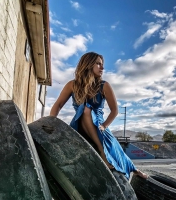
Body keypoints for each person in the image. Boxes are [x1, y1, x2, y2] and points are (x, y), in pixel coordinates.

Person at [50, 52, 148, 180]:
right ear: (88, 64)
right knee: (85, 109)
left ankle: (133, 168)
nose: (102, 68)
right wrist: (52, 122)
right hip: (79, 123)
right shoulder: (72, 85)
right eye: (98, 64)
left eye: (102, 65)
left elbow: (114, 111)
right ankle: (103, 153)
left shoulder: (104, 85)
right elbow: (58, 105)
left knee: (115, 148)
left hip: (99, 124)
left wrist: (104, 125)